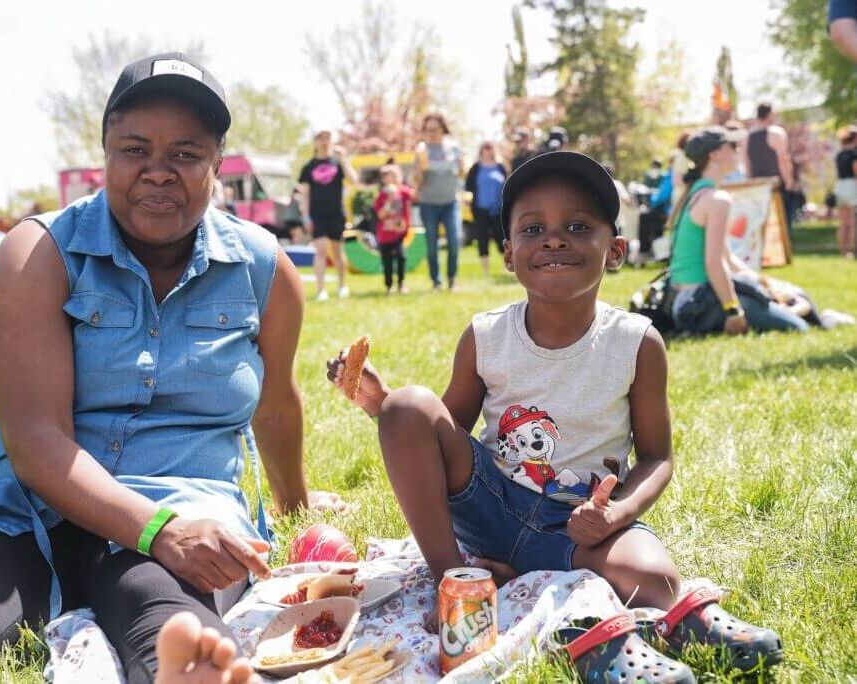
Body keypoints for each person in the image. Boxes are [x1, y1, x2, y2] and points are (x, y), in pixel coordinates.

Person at [0, 52, 343, 684]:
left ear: (218, 164)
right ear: (106, 151)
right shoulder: (40, 252)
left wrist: (295, 508)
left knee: (175, 629)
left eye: (186, 154)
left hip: (185, 503)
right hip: (19, 509)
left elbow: (275, 405)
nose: (158, 172)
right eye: (135, 149)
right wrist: (158, 530)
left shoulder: (264, 269)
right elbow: (34, 443)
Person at [327, 151, 782, 675]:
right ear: (508, 253)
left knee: (655, 581)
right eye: (534, 227)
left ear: (614, 251)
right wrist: (382, 407)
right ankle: (458, 582)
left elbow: (657, 457)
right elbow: (440, 434)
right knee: (409, 405)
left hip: (580, 528)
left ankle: (648, 623)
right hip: (490, 511)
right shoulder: (486, 335)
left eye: (577, 226)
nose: (554, 238)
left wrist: (617, 515)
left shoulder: (638, 343)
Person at [670, 126, 809, 335]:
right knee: (799, 327)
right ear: (714, 155)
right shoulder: (717, 200)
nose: (738, 150)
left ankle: (817, 316)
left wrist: (762, 281)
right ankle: (818, 318)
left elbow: (726, 257)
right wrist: (733, 311)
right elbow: (713, 263)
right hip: (700, 303)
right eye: (732, 145)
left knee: (794, 294)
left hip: (684, 303)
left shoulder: (693, 195)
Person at [298, 130, 358, 301]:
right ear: (315, 142)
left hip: (336, 214)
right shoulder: (308, 167)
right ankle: (320, 290)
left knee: (338, 253)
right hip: (317, 215)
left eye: (328, 138)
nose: (324, 142)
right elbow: (305, 194)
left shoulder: (338, 163)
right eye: (321, 138)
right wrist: (305, 216)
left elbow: (354, 180)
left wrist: (344, 159)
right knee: (321, 251)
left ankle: (342, 286)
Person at [415, 113, 465, 291]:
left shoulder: (454, 148)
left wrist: (462, 166)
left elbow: (461, 174)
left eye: (434, 129)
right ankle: (436, 282)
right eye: (427, 130)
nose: (431, 133)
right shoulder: (422, 149)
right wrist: (420, 168)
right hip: (428, 204)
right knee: (432, 245)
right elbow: (417, 180)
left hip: (450, 202)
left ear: (443, 129)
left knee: (454, 241)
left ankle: (452, 279)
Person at [745, 103, 796, 239]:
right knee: (783, 217)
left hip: (757, 184)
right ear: (770, 114)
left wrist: (751, 181)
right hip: (776, 184)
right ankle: (783, 247)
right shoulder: (776, 133)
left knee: (761, 218)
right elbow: (783, 159)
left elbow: (747, 163)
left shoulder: (748, 136)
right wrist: (788, 180)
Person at [464, 141, 507, 276]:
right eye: (485, 148)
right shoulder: (476, 168)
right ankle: (486, 271)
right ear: (481, 151)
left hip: (498, 210)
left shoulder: (500, 167)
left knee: (502, 238)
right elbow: (468, 187)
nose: (487, 151)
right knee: (482, 238)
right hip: (480, 209)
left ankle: (507, 267)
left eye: (490, 148)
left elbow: (507, 185)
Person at [373, 164, 413, 294]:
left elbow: (415, 195)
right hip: (384, 235)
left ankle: (401, 284)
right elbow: (380, 215)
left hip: (399, 234)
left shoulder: (403, 192)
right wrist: (389, 202)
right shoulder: (381, 196)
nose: (397, 179)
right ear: (385, 180)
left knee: (401, 257)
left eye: (398, 176)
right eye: (393, 176)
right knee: (387, 261)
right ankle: (389, 285)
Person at [835, 125, 857, 258]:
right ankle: (853, 251)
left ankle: (844, 252)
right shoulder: (854, 154)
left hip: (840, 187)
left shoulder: (840, 154)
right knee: (853, 221)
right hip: (851, 186)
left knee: (843, 222)